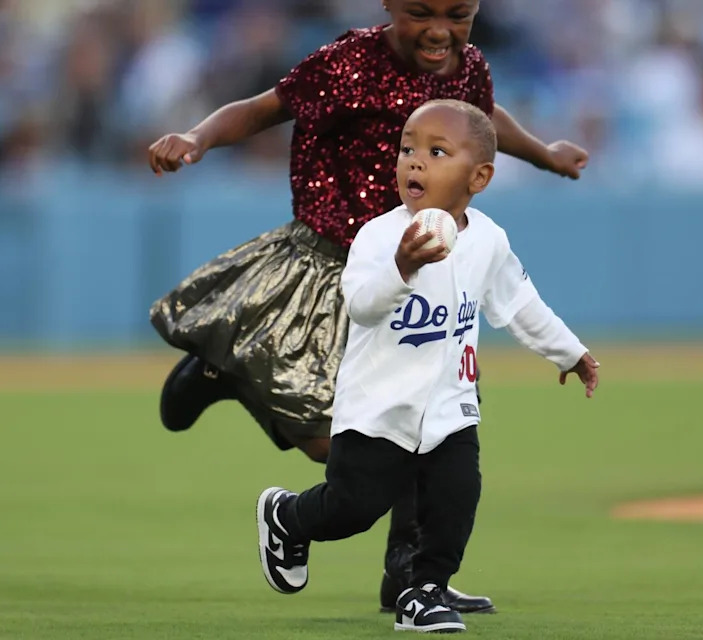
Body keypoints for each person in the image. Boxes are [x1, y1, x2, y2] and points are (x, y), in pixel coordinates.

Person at [147, 0, 589, 613]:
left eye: (458, 14)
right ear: (388, 5)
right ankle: (235, 369)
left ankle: (409, 578)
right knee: (344, 445)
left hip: (422, 270)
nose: (440, 30)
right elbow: (264, 108)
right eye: (419, 12)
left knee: (432, 420)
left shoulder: (469, 67)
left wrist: (544, 153)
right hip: (331, 263)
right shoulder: (348, 61)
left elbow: (482, 121)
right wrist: (196, 137)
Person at [255, 99, 599, 633]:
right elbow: (362, 304)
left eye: (437, 151)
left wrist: (569, 352)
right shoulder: (380, 236)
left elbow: (520, 303)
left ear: (479, 176)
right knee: (353, 508)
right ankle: (287, 517)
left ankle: (425, 590)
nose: (414, 162)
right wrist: (403, 266)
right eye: (407, 149)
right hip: (377, 409)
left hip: (450, 406)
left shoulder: (487, 238)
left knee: (456, 496)